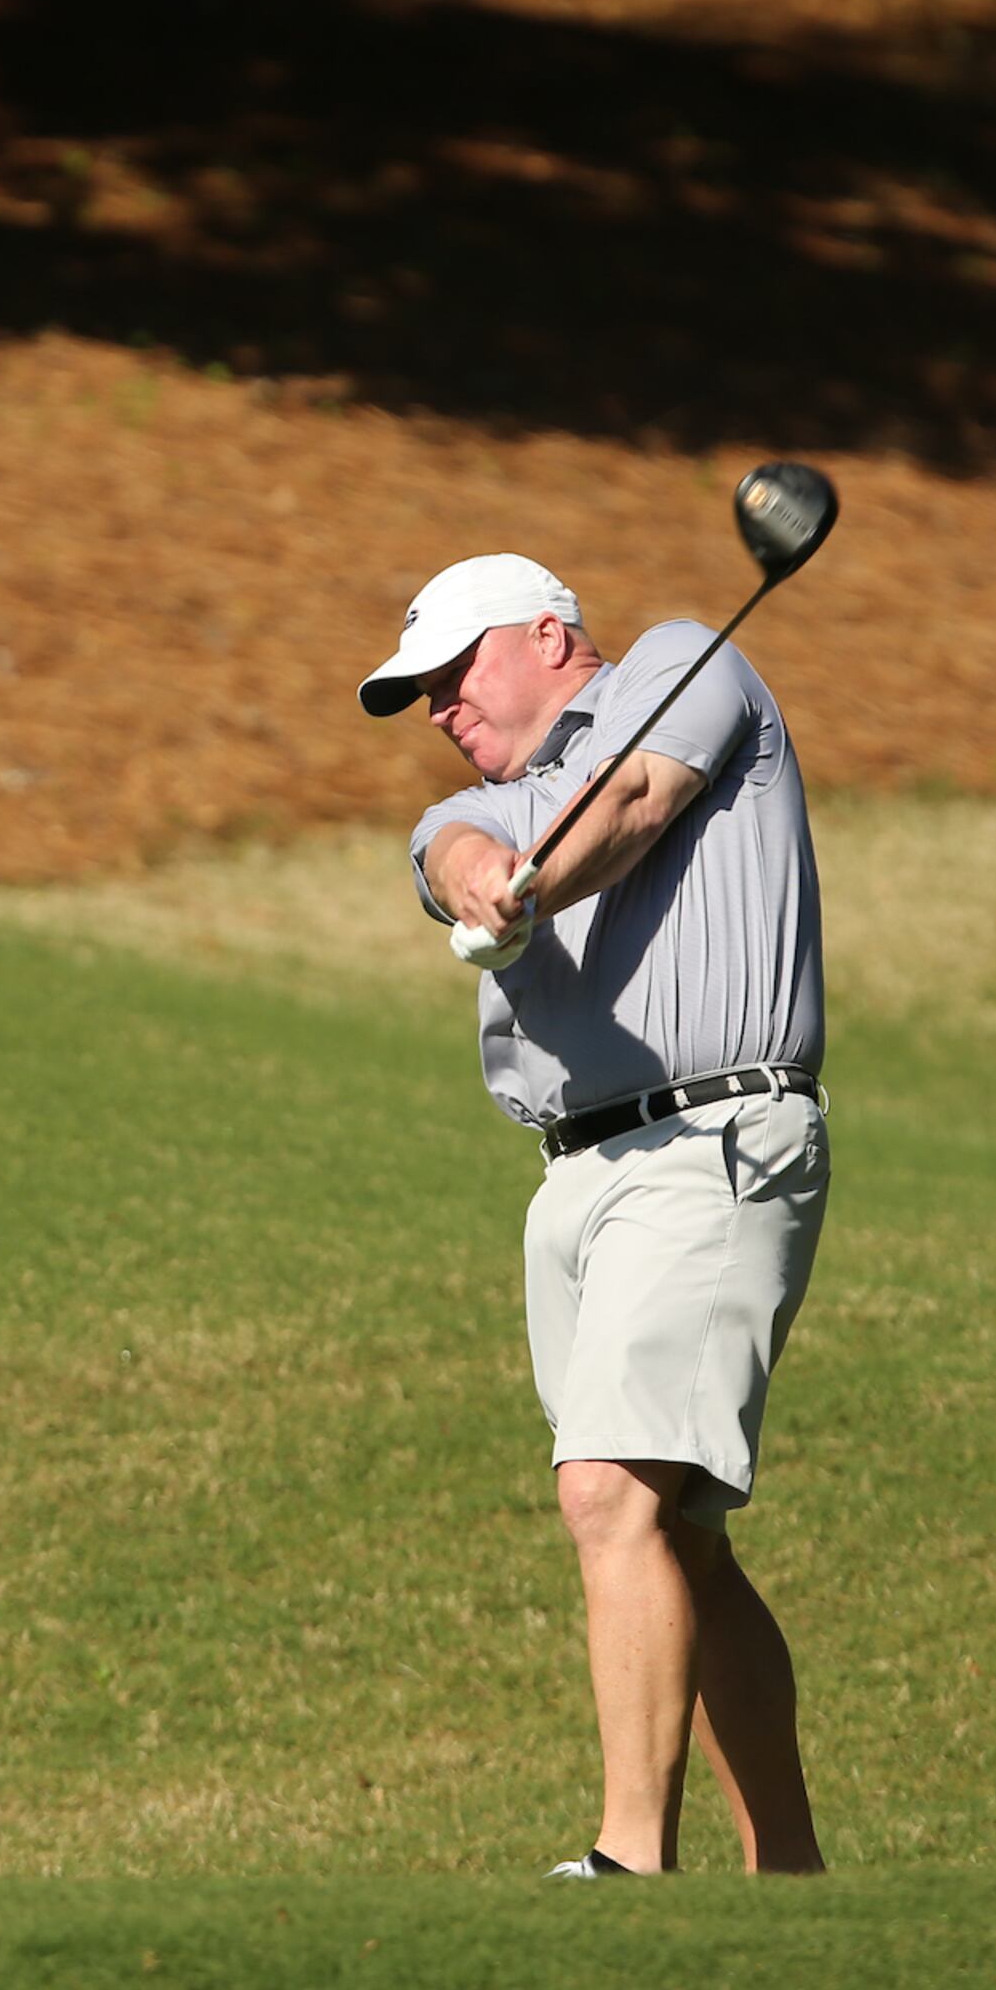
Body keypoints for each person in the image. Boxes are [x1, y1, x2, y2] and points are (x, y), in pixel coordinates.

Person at [358, 552, 832, 1877]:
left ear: (551, 634)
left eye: (457, 672)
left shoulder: (693, 661)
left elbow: (631, 799)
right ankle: (790, 1877)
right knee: (676, 1530)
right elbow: (446, 849)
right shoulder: (480, 809)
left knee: (610, 1490)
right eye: (424, 696)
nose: (444, 707)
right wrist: (479, 874)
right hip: (574, 1183)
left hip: (709, 1136)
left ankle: (630, 1858)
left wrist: (537, 884)